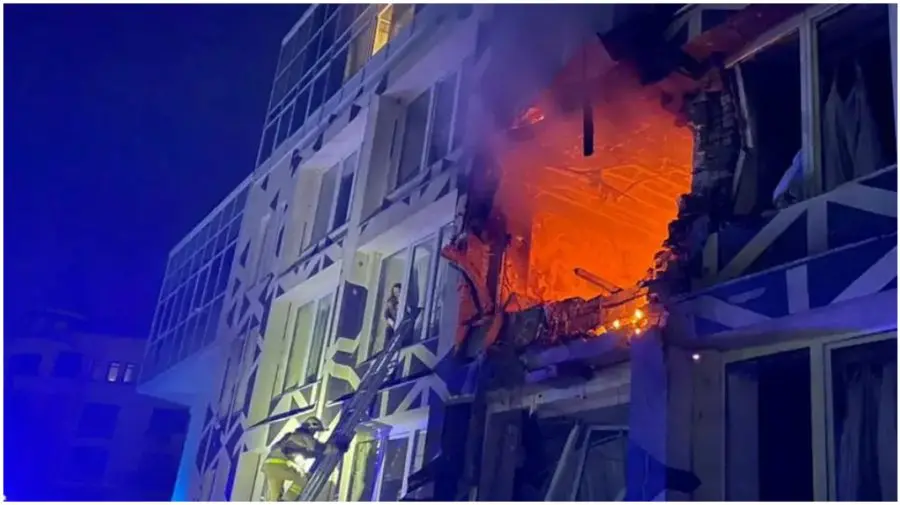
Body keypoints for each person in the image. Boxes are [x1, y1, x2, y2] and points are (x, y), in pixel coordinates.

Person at [261, 417, 343, 501]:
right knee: (301, 479)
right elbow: (318, 447)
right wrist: (337, 448)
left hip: (268, 467)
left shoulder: (290, 437)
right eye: (315, 431)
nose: (314, 434)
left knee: (274, 496)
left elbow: (303, 452)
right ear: (311, 427)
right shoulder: (304, 436)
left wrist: (315, 455)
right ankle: (288, 500)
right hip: (279, 466)